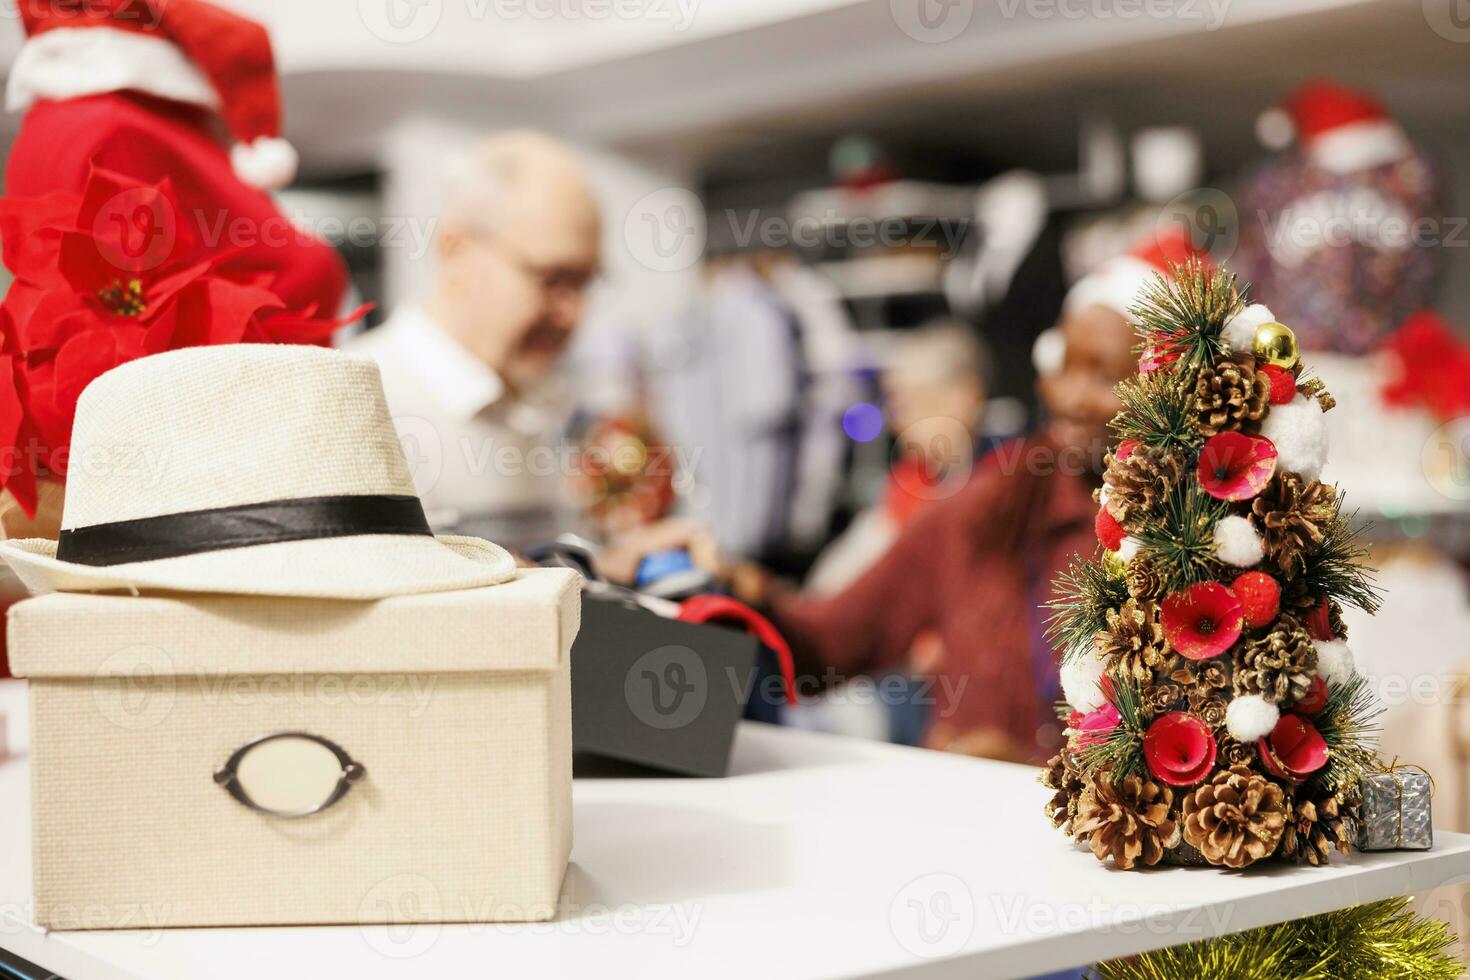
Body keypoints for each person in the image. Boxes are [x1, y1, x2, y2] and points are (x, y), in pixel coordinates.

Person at [725, 236, 1197, 763]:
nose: (1068, 395)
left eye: (1104, 375)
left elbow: (1198, 753)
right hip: (960, 828)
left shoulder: (1195, 539)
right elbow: (831, 643)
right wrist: (738, 587)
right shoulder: (990, 505)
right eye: (1063, 363)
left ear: (1164, 390)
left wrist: (1022, 764)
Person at [346, 131, 601, 551]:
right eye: (552, 279)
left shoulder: (541, 399)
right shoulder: (360, 398)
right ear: (456, 250)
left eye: (585, 283)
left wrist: (612, 570)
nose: (573, 312)